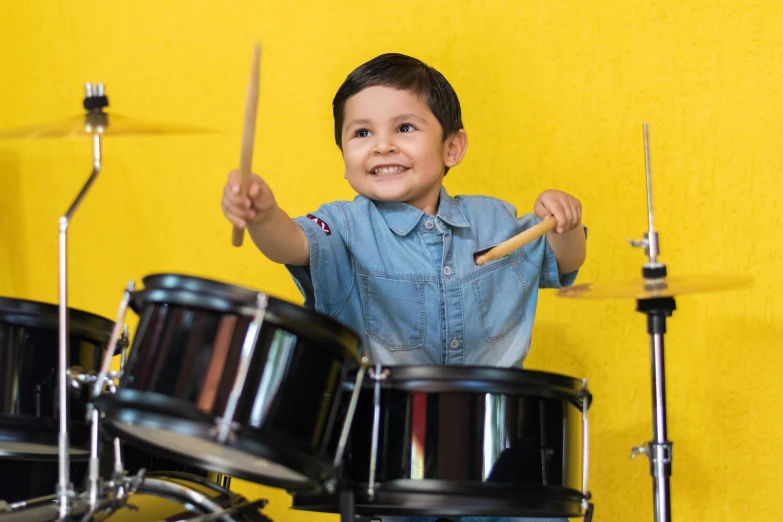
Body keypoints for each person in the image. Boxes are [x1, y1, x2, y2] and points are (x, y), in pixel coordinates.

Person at [221, 53, 587, 522]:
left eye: (405, 129)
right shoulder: (344, 226)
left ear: (452, 148)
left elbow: (565, 260)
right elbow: (288, 243)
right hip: (387, 470)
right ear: (344, 155)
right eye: (362, 133)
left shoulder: (496, 220)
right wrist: (262, 213)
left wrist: (564, 221)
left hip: (502, 463)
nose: (382, 146)